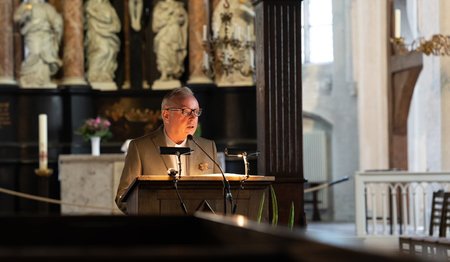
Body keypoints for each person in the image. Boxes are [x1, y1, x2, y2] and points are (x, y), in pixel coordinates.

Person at [115, 86, 220, 213]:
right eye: (185, 111)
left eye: (196, 111)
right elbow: (123, 197)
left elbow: (220, 194)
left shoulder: (208, 148)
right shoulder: (140, 148)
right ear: (166, 114)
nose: (193, 117)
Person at [13, 0, 63, 87]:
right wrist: (25, 16)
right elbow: (16, 17)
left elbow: (55, 19)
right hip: (33, 33)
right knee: (35, 52)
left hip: (46, 34)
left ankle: (43, 80)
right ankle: (27, 76)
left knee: (45, 56)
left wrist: (57, 23)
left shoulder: (47, 7)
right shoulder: (26, 5)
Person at [85, 0, 121, 84]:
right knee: (102, 51)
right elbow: (87, 17)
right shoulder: (91, 3)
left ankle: (105, 73)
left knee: (110, 52)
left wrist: (112, 27)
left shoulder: (108, 6)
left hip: (108, 34)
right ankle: (93, 73)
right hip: (97, 33)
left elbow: (116, 23)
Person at [152, 0, 188, 82]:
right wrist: (167, 17)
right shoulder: (159, 7)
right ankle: (164, 73)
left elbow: (183, 21)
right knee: (162, 52)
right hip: (163, 35)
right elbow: (155, 27)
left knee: (173, 54)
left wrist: (179, 19)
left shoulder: (178, 6)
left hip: (174, 33)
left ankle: (172, 75)